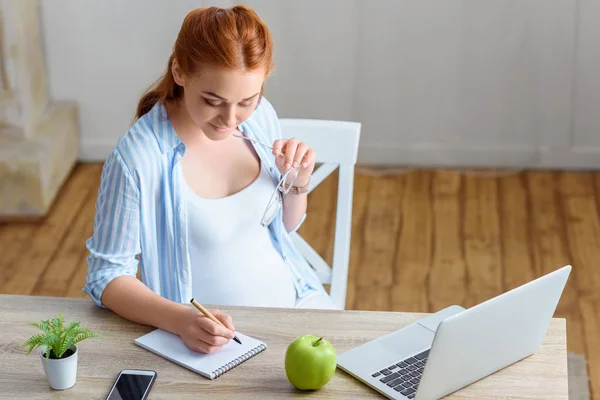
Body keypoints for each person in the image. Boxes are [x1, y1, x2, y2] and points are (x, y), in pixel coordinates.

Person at [83, 5, 337, 355]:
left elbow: (283, 228)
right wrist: (181, 320)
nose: (230, 120)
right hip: (214, 345)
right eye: (213, 101)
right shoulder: (138, 159)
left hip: (300, 306)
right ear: (179, 71)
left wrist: (298, 181)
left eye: (247, 100)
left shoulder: (260, 118)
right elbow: (106, 276)